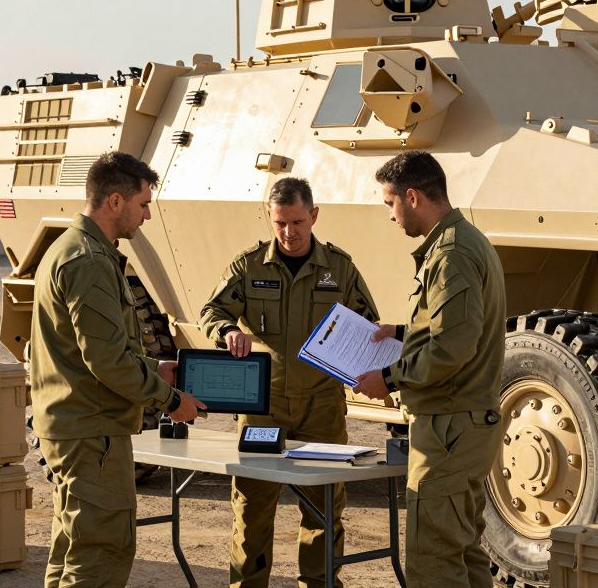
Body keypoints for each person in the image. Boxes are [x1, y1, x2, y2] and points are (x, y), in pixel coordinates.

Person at [30, 150, 205, 588]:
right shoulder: (89, 260)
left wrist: (153, 367)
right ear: (115, 202)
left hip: (79, 426)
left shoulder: (76, 250)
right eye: (143, 204)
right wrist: (171, 401)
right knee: (100, 557)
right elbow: (105, 360)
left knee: (72, 551)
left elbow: (94, 350)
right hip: (91, 433)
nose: (146, 216)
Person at [200, 177, 379, 588]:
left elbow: (368, 324)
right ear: (269, 217)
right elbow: (213, 310)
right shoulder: (248, 266)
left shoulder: (340, 267)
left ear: (313, 215)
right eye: (279, 222)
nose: (288, 232)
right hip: (265, 407)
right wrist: (226, 330)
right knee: (252, 507)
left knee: (324, 509)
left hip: (322, 407)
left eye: (297, 221)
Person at [352, 151, 506, 588]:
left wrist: (388, 378)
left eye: (390, 203)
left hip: (449, 426)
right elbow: (455, 325)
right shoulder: (462, 241)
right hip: (462, 422)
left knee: (434, 559)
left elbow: (453, 346)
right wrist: (402, 330)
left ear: (413, 197)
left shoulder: (451, 253)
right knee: (461, 550)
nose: (391, 215)